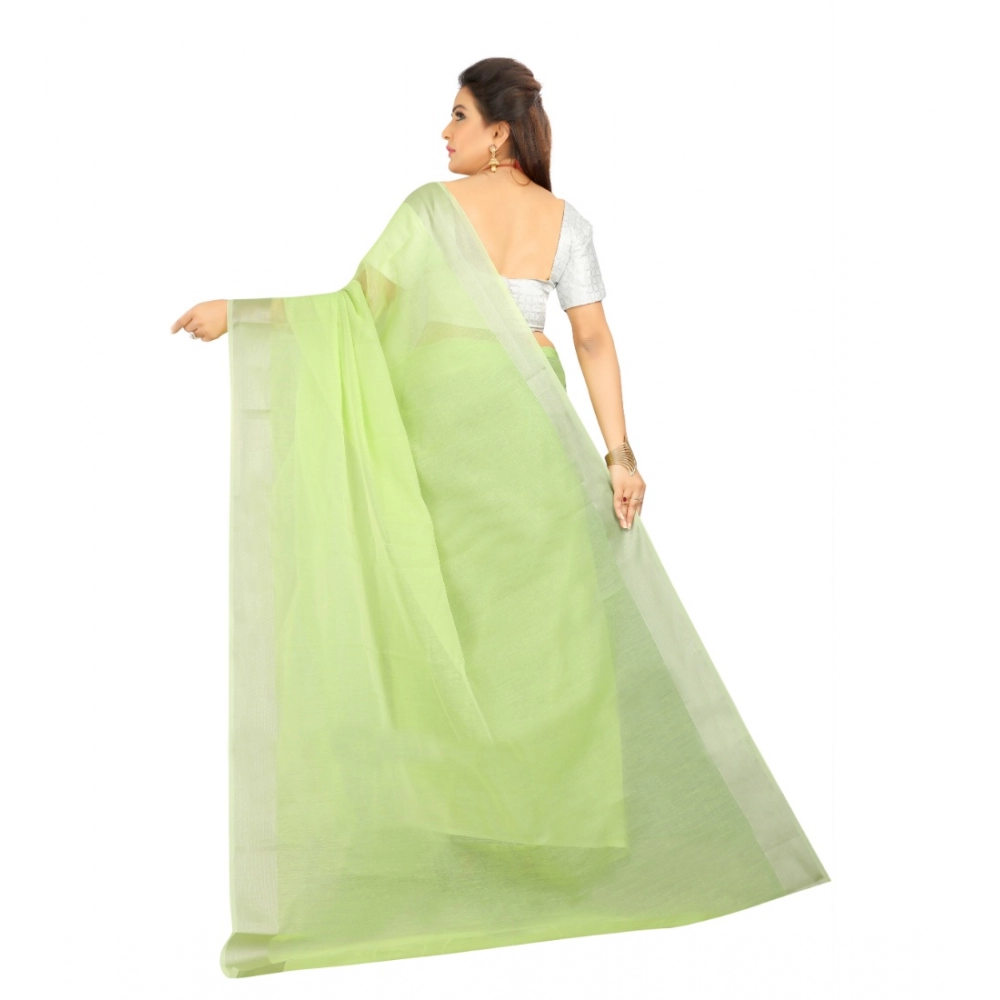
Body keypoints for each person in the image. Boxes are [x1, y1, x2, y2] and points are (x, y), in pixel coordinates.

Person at [172, 57, 829, 980]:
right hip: (531, 431)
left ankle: (484, 835)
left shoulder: (431, 211)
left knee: (461, 625)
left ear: (498, 133)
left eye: (457, 115)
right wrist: (620, 453)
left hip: (455, 435)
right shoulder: (566, 223)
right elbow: (590, 339)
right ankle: (546, 836)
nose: (442, 133)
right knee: (548, 633)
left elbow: (355, 315)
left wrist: (243, 316)